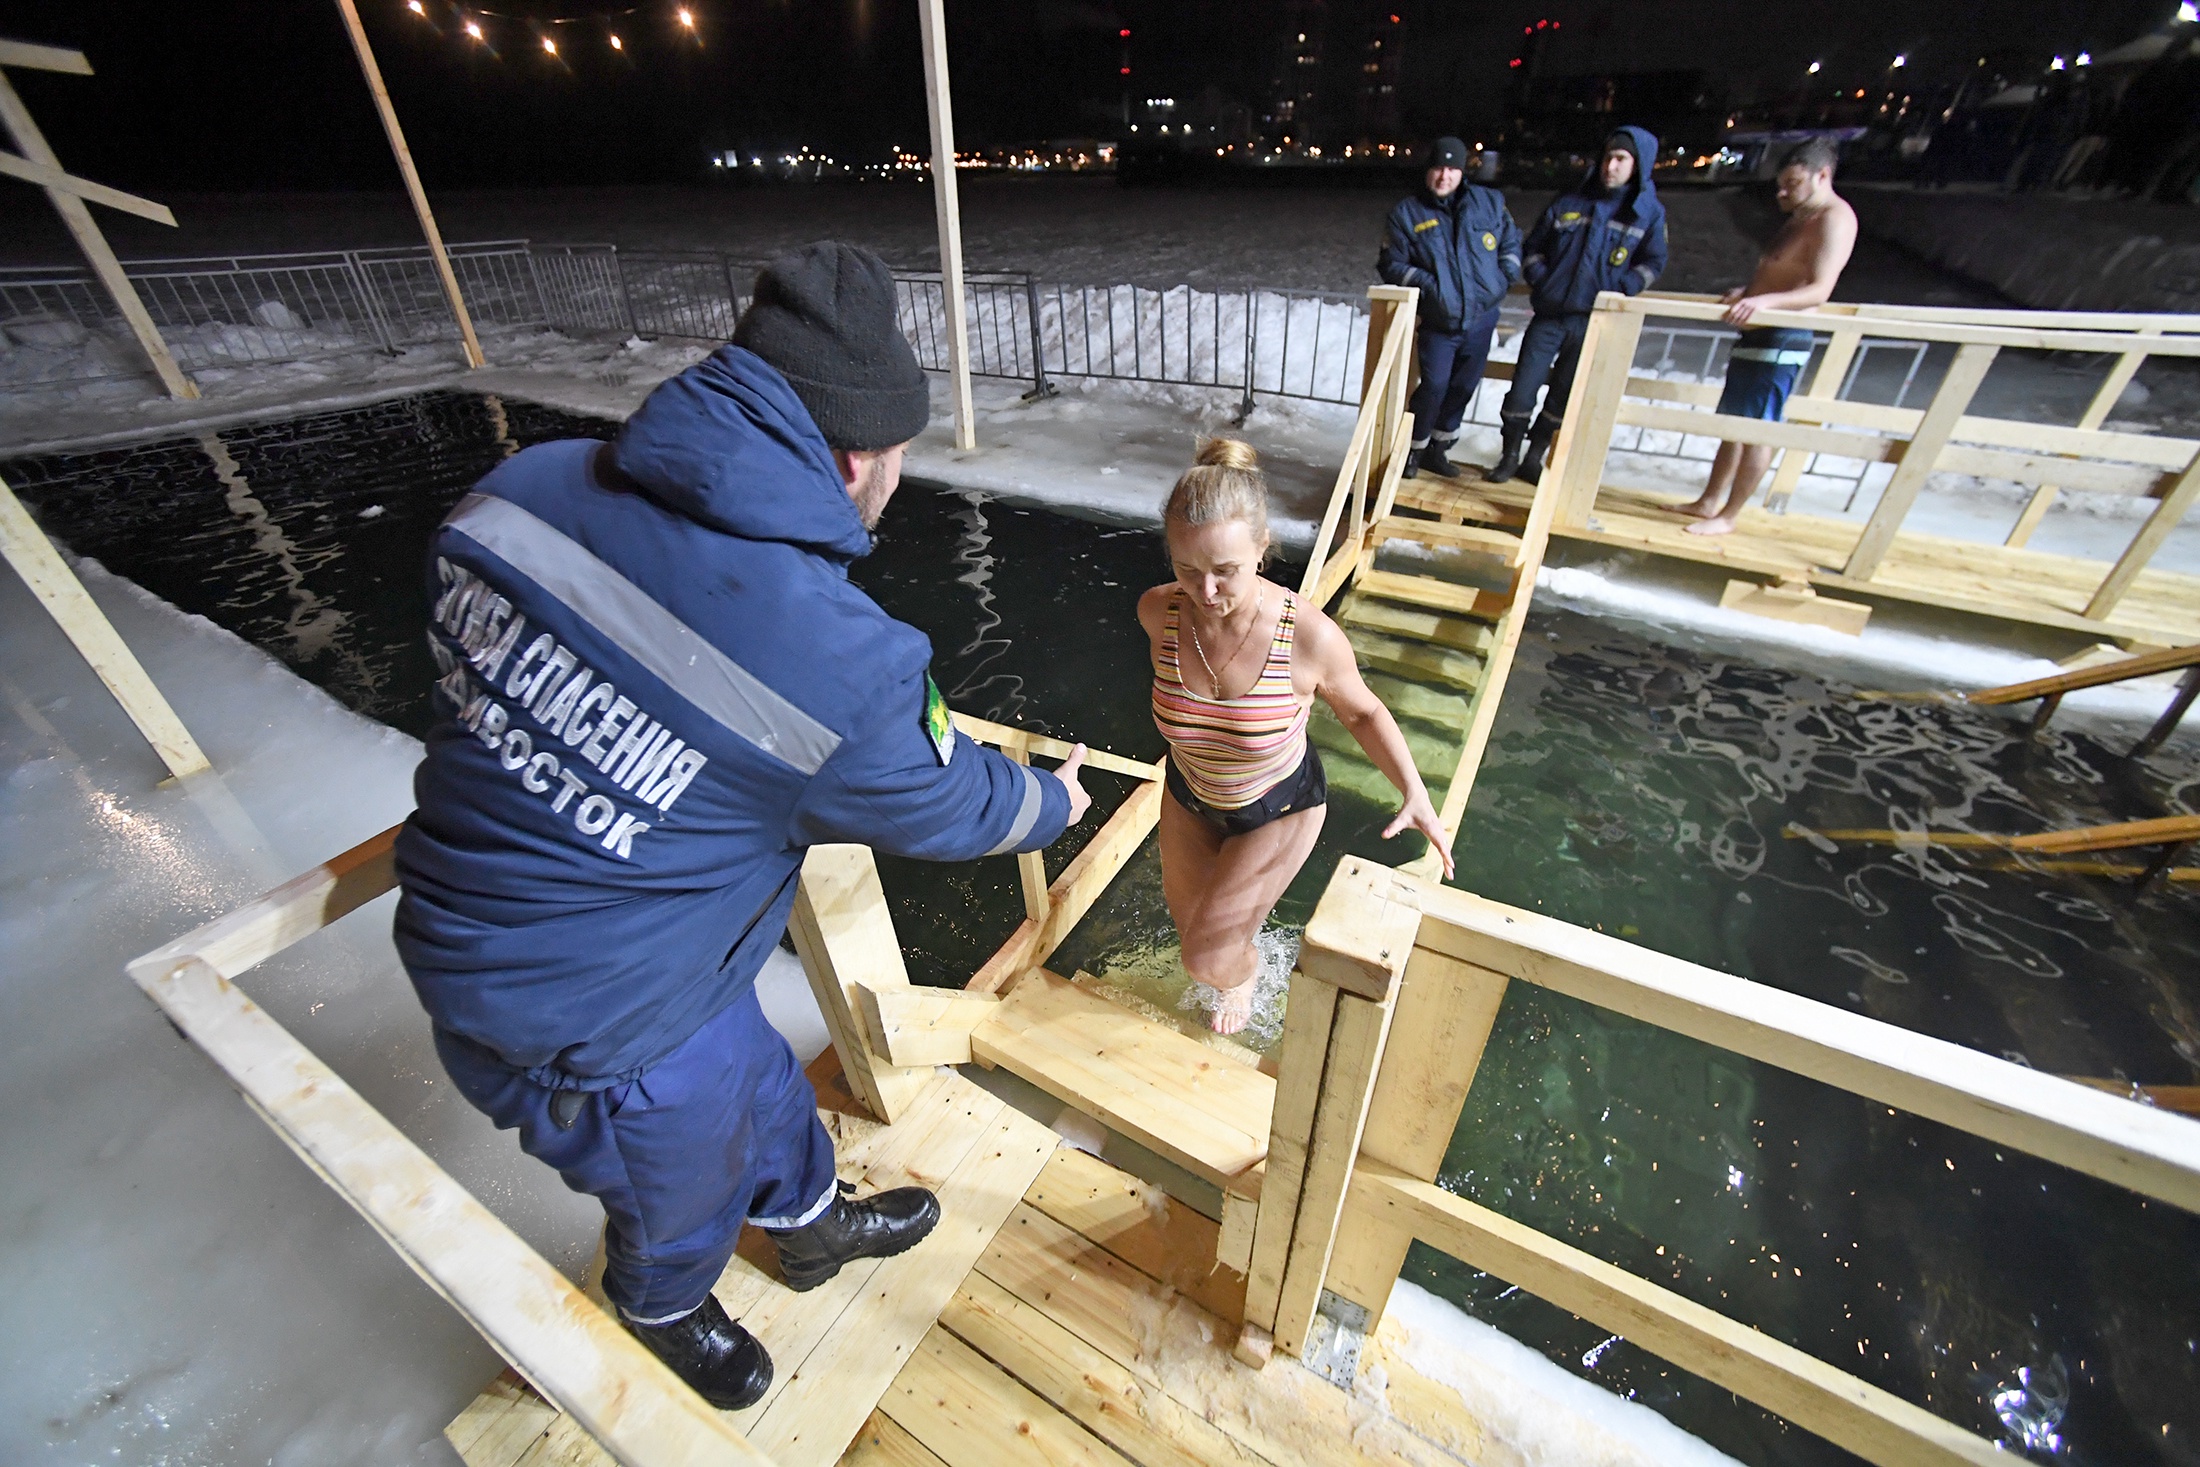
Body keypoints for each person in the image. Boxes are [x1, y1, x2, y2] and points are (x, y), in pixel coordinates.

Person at [391, 242, 1092, 1411]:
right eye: (902, 461)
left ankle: (808, 1226)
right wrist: (1052, 806)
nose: (898, 483)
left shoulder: (519, 489)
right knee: (676, 1172)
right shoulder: (836, 659)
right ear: (858, 456)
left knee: (764, 1081)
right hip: (585, 1010)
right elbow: (951, 798)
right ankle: (663, 1301)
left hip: (560, 931)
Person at [1141, 439, 1454, 1035]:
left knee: (1207, 959)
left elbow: (1363, 714)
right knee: (1197, 938)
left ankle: (1249, 968)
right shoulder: (1158, 612)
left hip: (1277, 806)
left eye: (1226, 572)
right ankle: (1236, 939)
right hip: (1189, 795)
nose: (1206, 594)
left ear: (1262, 547)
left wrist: (1414, 792)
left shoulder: (1309, 638)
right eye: (1187, 570)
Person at [1675, 138, 1857, 536]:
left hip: (1784, 336)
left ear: (1821, 176)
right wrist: (1750, 295)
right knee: (1734, 422)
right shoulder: (1799, 218)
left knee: (1758, 428)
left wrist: (1765, 304)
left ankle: (1729, 515)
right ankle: (1709, 501)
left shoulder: (1834, 218)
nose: (1782, 192)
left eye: (1791, 183)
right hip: (1758, 331)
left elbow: (1820, 289)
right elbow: (1781, 271)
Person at [1490, 127, 1668, 486]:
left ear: (1638, 165)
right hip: (1551, 315)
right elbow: (1534, 246)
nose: (1610, 166)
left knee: (1564, 395)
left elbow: (1653, 262)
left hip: (1593, 322)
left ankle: (1534, 457)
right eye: (1607, 157)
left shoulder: (1647, 213)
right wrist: (1542, 277)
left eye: (1620, 159)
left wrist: (1624, 288)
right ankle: (1508, 456)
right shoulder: (1569, 201)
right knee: (1523, 387)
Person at [1379, 136, 1522, 480]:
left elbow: (1511, 241)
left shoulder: (1489, 202)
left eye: (1452, 169)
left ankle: (1438, 450)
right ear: (1427, 171)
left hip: (1482, 319)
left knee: (1463, 387)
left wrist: (1505, 275)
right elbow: (1391, 263)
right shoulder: (1407, 213)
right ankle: (1412, 449)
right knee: (1434, 385)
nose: (1444, 176)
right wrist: (1428, 284)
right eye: (1438, 168)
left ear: (1462, 171)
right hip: (1439, 323)